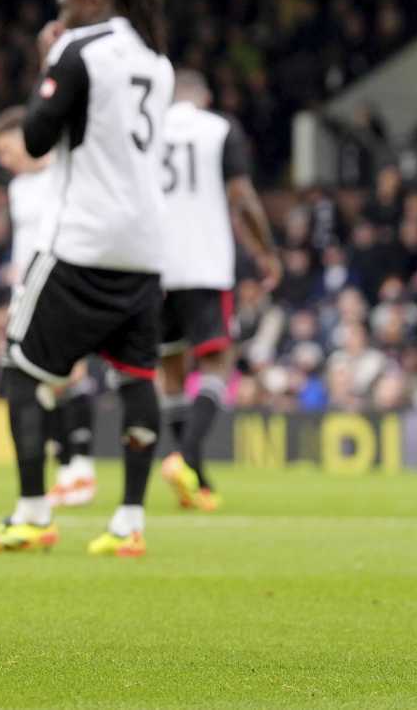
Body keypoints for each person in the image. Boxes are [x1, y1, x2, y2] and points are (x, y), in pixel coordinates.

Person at [0, 0, 173, 559]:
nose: (60, 15)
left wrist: (46, 61)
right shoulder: (157, 62)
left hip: (85, 238)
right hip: (145, 246)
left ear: (94, 0)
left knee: (21, 372)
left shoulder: (79, 51)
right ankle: (129, 521)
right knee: (137, 380)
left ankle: (33, 513)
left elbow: (34, 137)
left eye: (66, 4)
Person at [155, 69, 278, 512]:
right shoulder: (219, 129)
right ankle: (185, 457)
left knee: (170, 367)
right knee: (216, 361)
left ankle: (197, 479)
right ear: (203, 96)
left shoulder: (147, 125)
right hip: (204, 262)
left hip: (153, 263)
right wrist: (266, 251)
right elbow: (241, 196)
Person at [0, 106, 93, 504]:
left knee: (67, 375)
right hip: (25, 292)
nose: (3, 159)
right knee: (42, 383)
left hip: (62, 286)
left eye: (6, 149)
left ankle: (79, 465)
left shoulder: (64, 175)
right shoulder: (18, 188)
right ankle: (68, 465)